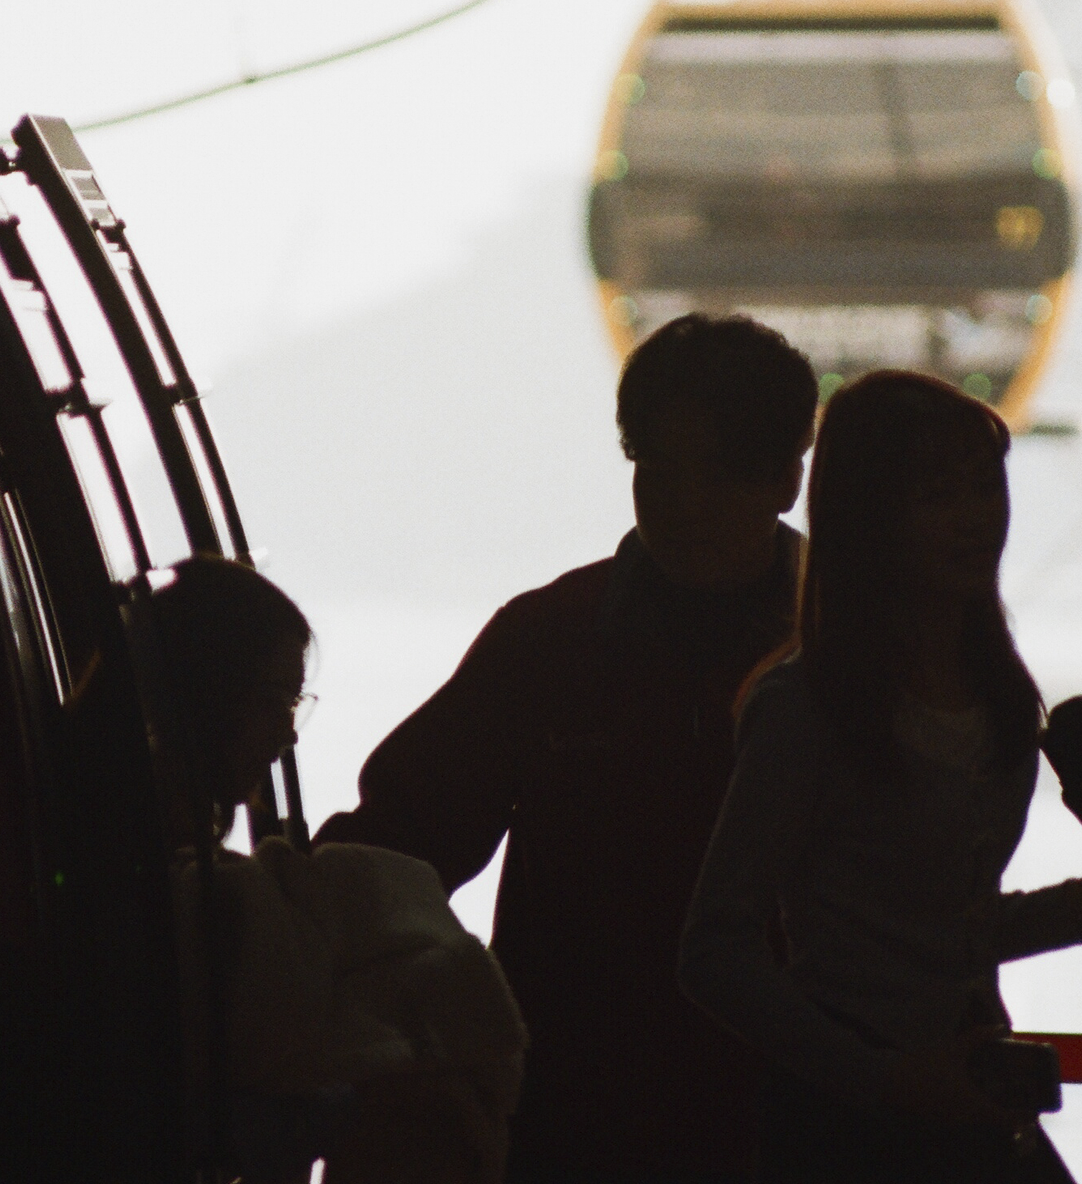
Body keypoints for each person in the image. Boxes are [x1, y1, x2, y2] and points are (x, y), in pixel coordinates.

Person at [316, 312, 820, 1183]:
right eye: (657, 471)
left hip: (789, 1129)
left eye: (718, 474)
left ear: (786, 478)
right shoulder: (550, 642)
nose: (683, 505)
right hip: (572, 1131)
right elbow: (395, 848)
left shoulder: (850, 656)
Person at [677, 371, 1082, 1184]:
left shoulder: (996, 692)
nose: (976, 518)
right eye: (937, 496)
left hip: (972, 1096)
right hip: (846, 1131)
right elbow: (713, 951)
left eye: (985, 487)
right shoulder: (806, 708)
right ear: (870, 521)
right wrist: (884, 1077)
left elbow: (943, 927)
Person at [154, 557, 527, 1184]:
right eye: (273, 699)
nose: (287, 735)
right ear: (202, 688)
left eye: (294, 703)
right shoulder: (156, 873)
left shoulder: (138, 837)